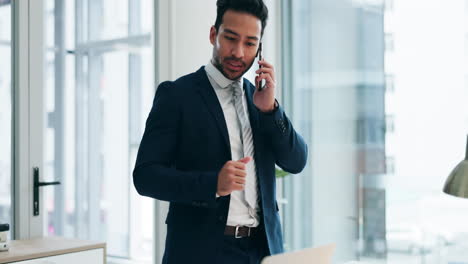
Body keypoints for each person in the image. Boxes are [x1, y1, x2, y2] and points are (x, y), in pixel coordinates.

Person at [133, 0, 307, 263]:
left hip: (263, 250)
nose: (238, 52)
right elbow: (145, 176)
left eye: (250, 43)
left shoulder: (260, 99)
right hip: (202, 252)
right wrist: (212, 184)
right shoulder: (177, 96)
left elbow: (296, 161)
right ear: (214, 34)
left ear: (259, 48)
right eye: (230, 38)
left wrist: (271, 110)